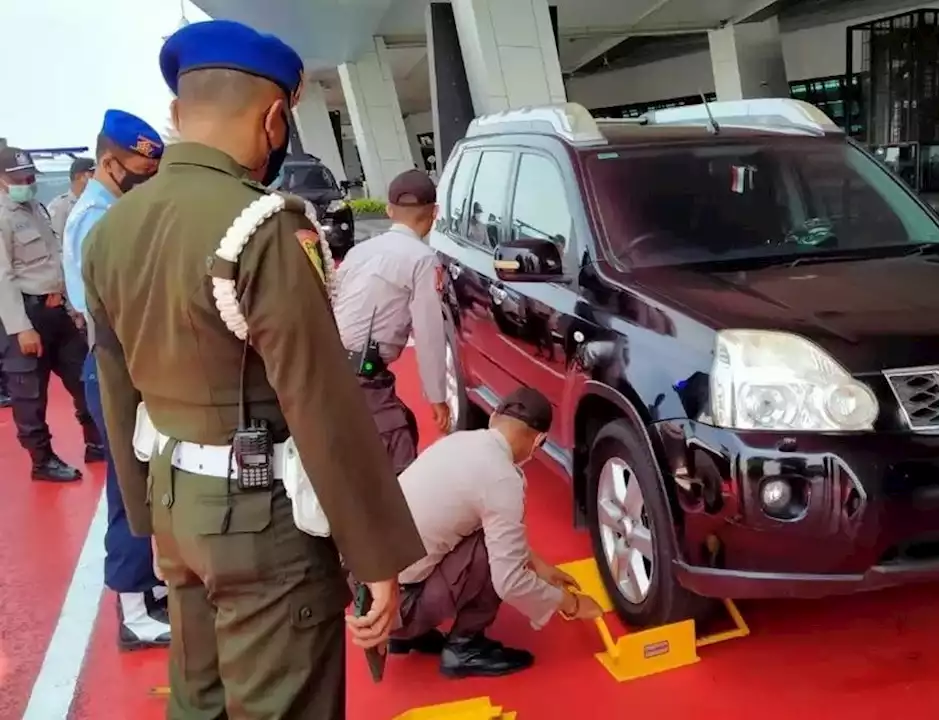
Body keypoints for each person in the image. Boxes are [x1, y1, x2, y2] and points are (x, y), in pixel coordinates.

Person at [80, 19, 424, 718]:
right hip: (260, 523)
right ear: (275, 119)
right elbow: (320, 401)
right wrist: (378, 558)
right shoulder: (263, 228)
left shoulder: (111, 227)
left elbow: (115, 386)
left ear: (177, 115)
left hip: (176, 504)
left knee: (198, 700)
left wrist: (147, 515)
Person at [393, 387, 604, 677]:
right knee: (491, 553)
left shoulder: (458, 441)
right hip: (396, 607)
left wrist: (541, 567)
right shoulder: (502, 478)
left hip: (372, 589)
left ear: (494, 416)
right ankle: (464, 649)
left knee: (476, 532)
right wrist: (573, 604)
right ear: (539, 440)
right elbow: (510, 580)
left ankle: (406, 633)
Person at [64, 109, 169, 650]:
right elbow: (100, 307)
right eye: (141, 169)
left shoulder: (114, 209)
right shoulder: (98, 221)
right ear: (110, 163)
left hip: (125, 365)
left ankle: (147, 588)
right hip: (111, 367)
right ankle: (132, 609)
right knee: (128, 488)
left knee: (143, 482)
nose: (148, 178)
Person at [331, 168, 449, 473]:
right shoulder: (423, 260)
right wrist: (437, 397)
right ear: (434, 213)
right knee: (402, 466)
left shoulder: (358, 252)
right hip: (364, 377)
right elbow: (429, 333)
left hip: (330, 368)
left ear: (388, 211)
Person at [0, 145, 103, 482]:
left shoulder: (34, 208)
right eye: (19, 178)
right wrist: (20, 328)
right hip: (27, 318)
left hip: (56, 311)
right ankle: (42, 461)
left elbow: (57, 259)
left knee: (83, 378)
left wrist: (72, 306)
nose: (27, 182)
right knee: (30, 394)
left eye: (29, 176)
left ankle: (96, 442)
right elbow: (3, 278)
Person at [48, 157, 95, 240]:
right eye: (92, 173)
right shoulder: (60, 206)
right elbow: (56, 241)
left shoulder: (95, 202)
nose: (96, 177)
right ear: (79, 176)